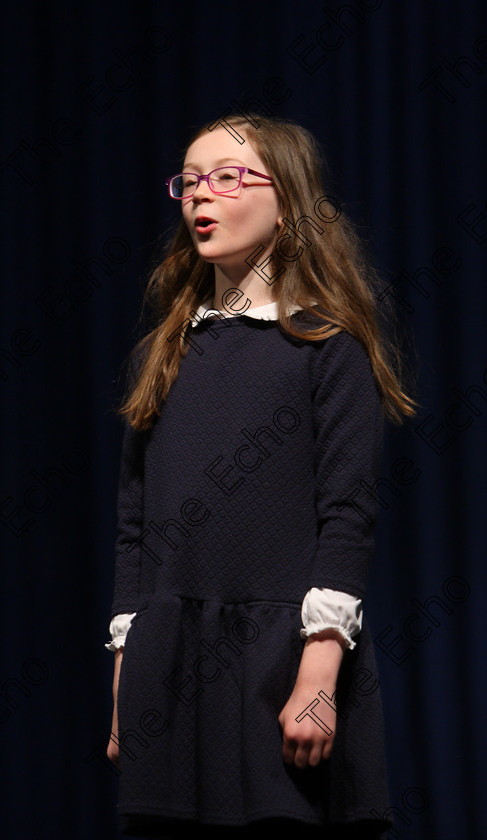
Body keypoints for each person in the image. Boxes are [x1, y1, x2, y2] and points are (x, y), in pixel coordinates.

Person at [104, 113, 418, 839]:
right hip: (171, 665)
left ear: (288, 203)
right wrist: (128, 673)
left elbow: (346, 515)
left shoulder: (324, 347)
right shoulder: (169, 353)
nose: (198, 197)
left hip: (279, 666)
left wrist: (317, 677)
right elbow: (134, 526)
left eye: (226, 177)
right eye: (188, 181)